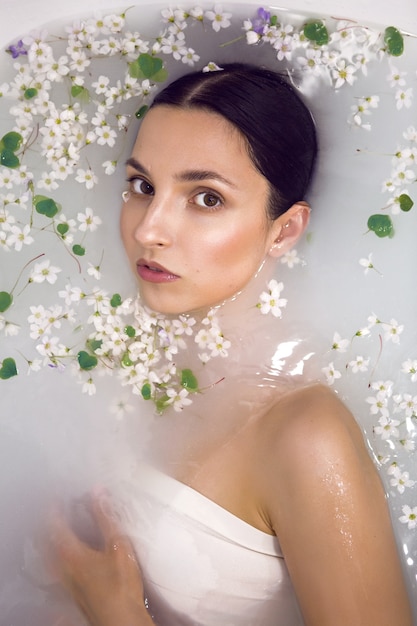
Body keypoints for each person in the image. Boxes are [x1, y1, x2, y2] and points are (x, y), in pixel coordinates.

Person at [43, 64, 413, 626]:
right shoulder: (112, 356)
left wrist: (117, 615)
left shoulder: (306, 435)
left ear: (284, 231)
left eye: (206, 198)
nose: (149, 230)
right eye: (143, 186)